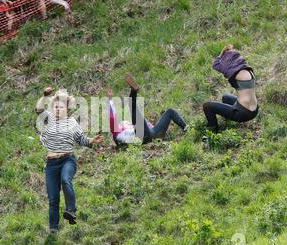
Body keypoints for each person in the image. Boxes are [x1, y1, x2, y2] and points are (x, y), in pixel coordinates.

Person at [35, 87, 104, 234]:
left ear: (67, 108)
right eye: (55, 106)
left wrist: (92, 140)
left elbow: (81, 139)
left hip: (68, 159)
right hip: (51, 164)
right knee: (53, 198)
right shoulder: (48, 119)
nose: (57, 109)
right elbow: (39, 110)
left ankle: (71, 210)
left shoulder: (72, 122)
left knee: (66, 180)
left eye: (60, 107)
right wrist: (44, 95)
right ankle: (53, 230)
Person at [108, 74, 188, 145]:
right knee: (132, 106)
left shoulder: (125, 129)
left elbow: (147, 125)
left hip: (152, 134)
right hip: (141, 137)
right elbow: (112, 118)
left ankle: (188, 129)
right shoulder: (117, 133)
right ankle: (134, 91)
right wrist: (110, 100)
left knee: (170, 111)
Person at [202, 44, 259, 133]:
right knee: (225, 97)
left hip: (243, 113)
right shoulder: (247, 70)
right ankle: (227, 120)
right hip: (253, 109)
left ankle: (212, 132)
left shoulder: (236, 73)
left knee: (207, 106)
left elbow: (216, 65)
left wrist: (220, 56)